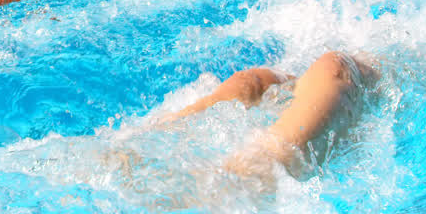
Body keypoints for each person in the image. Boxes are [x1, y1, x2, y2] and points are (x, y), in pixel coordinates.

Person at [159, 50, 379, 180]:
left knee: (337, 65)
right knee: (253, 80)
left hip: (366, 74)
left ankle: (252, 170)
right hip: (359, 72)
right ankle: (155, 134)